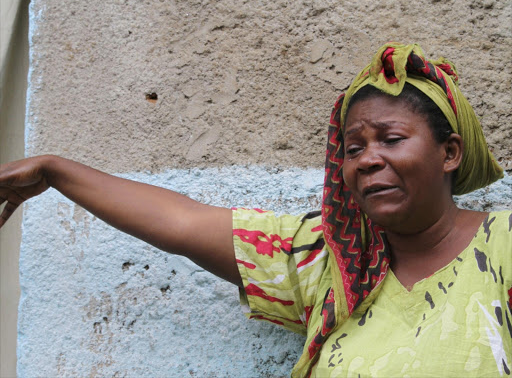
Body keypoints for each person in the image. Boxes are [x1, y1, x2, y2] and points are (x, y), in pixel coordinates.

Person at [0, 42, 510, 377]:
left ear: (450, 152)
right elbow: (184, 223)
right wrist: (56, 172)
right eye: (352, 149)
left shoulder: (502, 249)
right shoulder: (331, 263)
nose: (368, 159)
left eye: (392, 139)